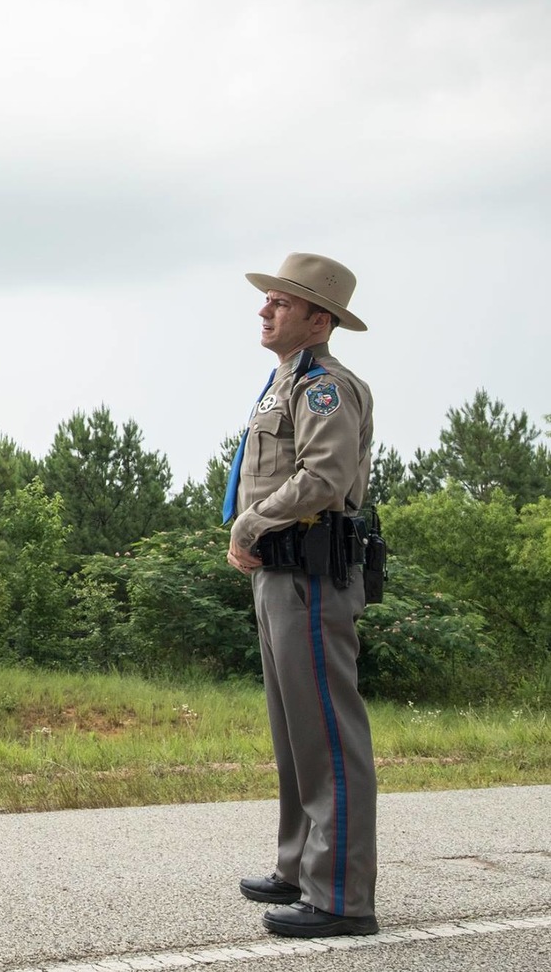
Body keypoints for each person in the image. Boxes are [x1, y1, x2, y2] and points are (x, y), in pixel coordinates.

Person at [222, 252, 379, 939]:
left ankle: (341, 897)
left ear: (319, 319)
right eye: (269, 301)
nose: (265, 309)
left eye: (281, 303)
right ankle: (299, 868)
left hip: (312, 578)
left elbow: (323, 477)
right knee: (294, 737)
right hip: (279, 575)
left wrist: (250, 522)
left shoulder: (325, 387)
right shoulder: (283, 381)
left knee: (328, 740)